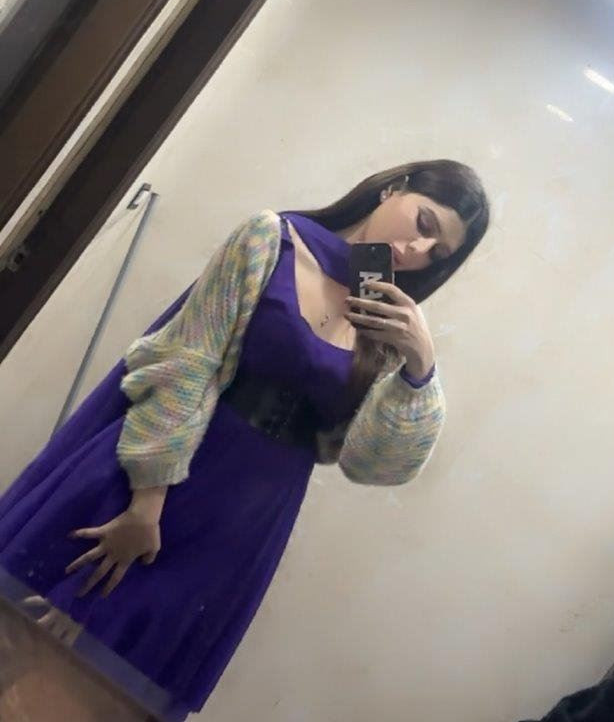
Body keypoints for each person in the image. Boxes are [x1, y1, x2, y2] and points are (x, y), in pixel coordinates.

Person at [0, 160, 489, 720]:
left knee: (98, 699)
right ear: (393, 189)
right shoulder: (271, 239)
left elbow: (374, 464)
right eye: (423, 222)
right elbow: (188, 364)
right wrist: (146, 505)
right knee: (23, 656)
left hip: (237, 531)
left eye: (436, 252)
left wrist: (420, 365)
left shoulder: (383, 324)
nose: (417, 249)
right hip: (148, 482)